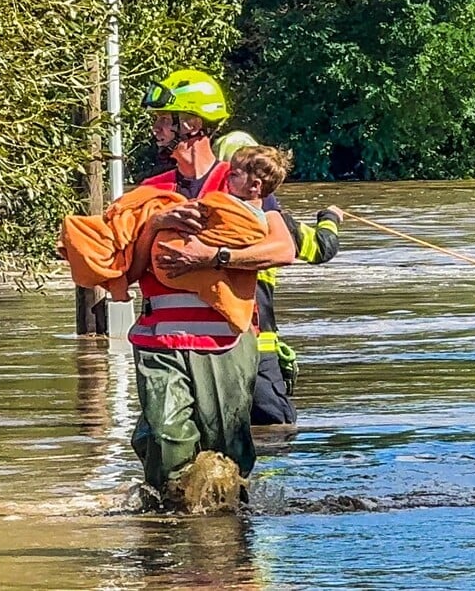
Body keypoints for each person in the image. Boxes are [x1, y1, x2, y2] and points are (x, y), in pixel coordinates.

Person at [123, 69, 296, 506]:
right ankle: (165, 547)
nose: (157, 128)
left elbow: (282, 248)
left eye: (167, 119)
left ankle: (228, 551)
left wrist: (212, 258)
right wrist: (156, 225)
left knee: (226, 457)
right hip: (158, 335)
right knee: (165, 438)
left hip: (224, 341)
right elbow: (128, 270)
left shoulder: (240, 184)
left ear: (194, 125)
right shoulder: (150, 190)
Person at [214, 132, 344, 426]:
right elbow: (323, 247)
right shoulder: (278, 225)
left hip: (209, 346)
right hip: (259, 347)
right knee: (277, 427)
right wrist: (330, 217)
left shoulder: (202, 214)